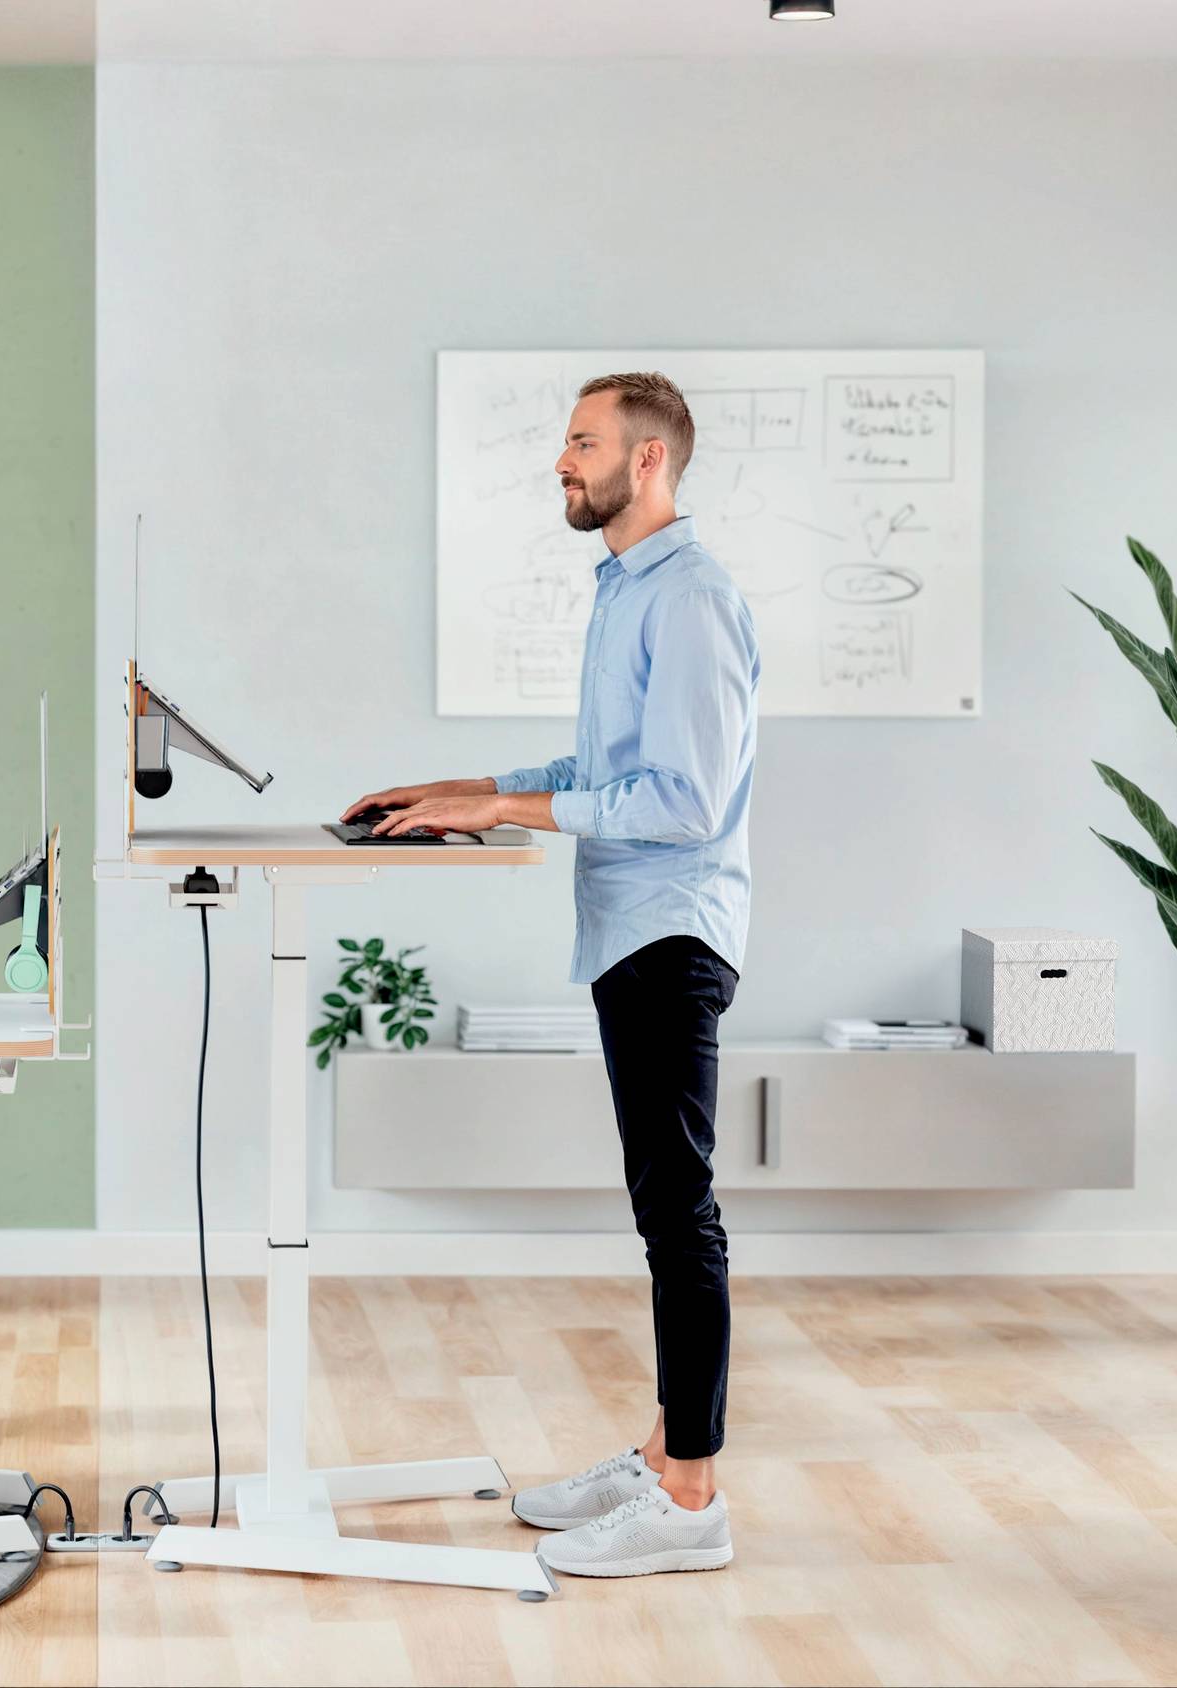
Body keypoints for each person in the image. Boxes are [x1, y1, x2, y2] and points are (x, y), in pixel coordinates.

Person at [342, 372, 758, 1580]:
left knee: (680, 1209)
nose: (561, 462)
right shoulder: (628, 590)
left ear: (652, 462)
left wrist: (508, 804)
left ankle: (691, 1495)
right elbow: (601, 762)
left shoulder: (692, 600)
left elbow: (680, 800)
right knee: (659, 1204)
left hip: (671, 930)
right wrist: (465, 791)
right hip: (630, 926)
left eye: (583, 443)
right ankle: (662, 1445)